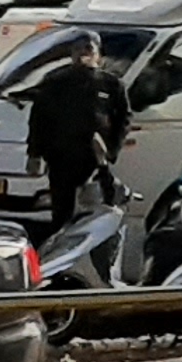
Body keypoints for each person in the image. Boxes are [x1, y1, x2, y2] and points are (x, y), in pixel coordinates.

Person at [27, 41, 129, 227]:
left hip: (95, 158)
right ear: (71, 55)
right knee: (62, 213)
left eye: (89, 49)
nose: (83, 53)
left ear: (98, 55)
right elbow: (39, 118)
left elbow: (123, 119)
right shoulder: (56, 82)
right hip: (61, 156)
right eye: (78, 49)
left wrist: (111, 150)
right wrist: (34, 153)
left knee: (98, 210)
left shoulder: (111, 84)